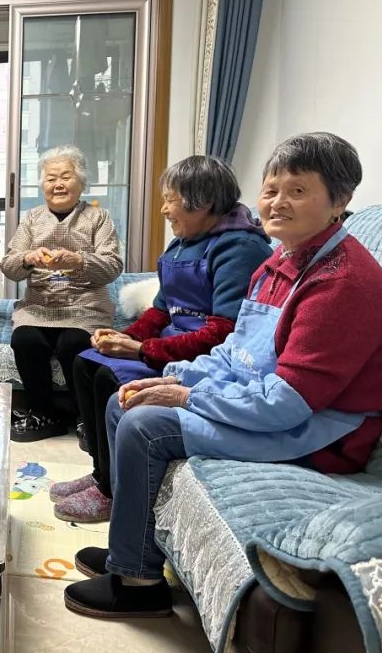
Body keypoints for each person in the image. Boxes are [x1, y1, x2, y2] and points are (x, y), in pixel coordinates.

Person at [62, 133, 382, 619]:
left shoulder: (341, 283)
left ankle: (138, 585)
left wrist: (185, 398)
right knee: (126, 399)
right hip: (264, 400)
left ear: (339, 201)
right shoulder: (278, 263)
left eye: (298, 191)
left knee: (145, 426)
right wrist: (175, 377)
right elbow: (234, 353)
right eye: (271, 190)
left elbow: (287, 403)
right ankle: (133, 548)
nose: (278, 202)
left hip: (319, 432)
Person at [50, 156, 271, 523]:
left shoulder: (239, 248)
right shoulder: (181, 244)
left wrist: (141, 350)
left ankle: (111, 490)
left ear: (203, 203)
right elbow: (160, 311)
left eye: (171, 200)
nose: (165, 210)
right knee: (86, 362)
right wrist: (123, 336)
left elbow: (225, 332)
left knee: (107, 378)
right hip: (169, 344)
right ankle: (102, 470)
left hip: (203, 357)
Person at [1, 146, 123, 442]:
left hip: (85, 305)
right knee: (25, 339)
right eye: (51, 178)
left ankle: (86, 417)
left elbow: (112, 266)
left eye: (66, 177)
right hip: (39, 305)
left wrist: (79, 260)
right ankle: (43, 414)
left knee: (74, 343)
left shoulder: (98, 217)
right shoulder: (31, 219)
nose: (58, 184)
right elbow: (9, 266)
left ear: (81, 182)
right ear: (42, 184)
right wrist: (28, 258)